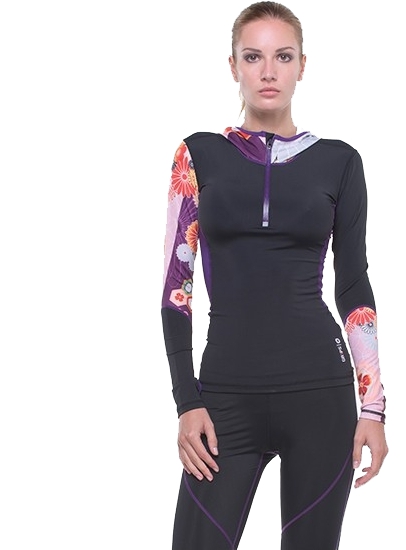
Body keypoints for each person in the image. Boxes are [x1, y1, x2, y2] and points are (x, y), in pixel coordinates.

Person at [161, 2, 388, 548]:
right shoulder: (198, 155)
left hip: (320, 395)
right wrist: (187, 401)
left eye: (283, 57)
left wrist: (373, 406)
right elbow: (176, 290)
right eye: (253, 57)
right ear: (233, 66)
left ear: (302, 65)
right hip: (224, 397)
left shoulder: (340, 161)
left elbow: (353, 286)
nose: (268, 72)